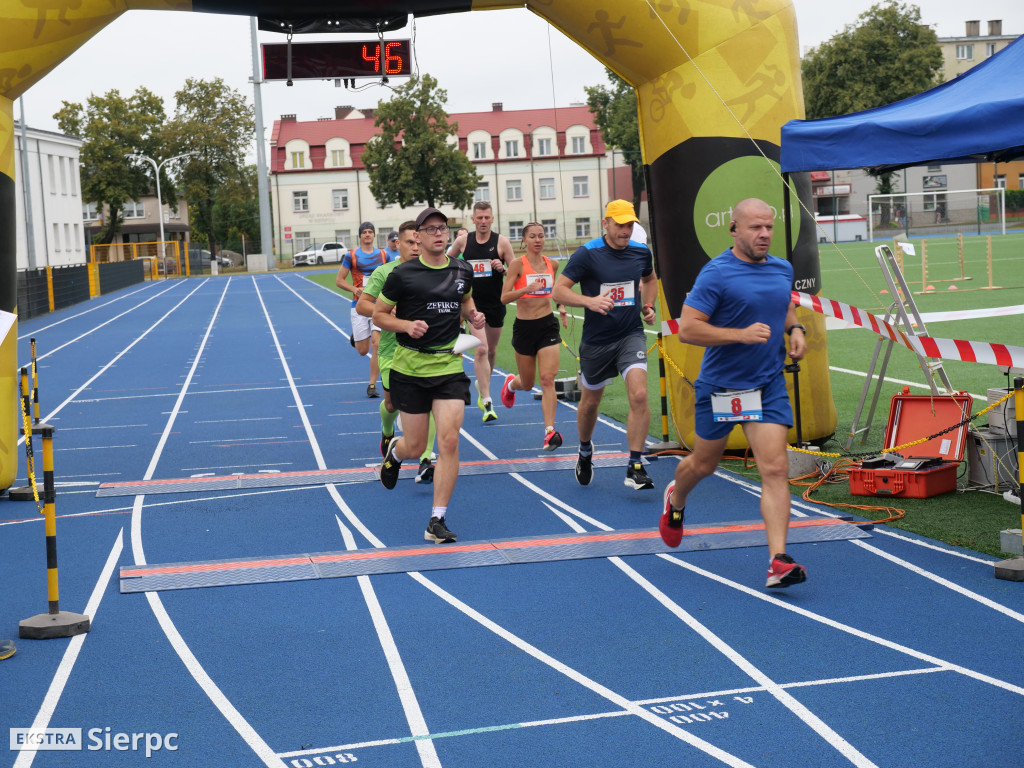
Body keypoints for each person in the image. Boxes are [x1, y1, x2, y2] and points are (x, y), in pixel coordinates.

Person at [659, 197, 808, 589]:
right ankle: (676, 499)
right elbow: (689, 329)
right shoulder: (716, 274)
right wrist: (739, 335)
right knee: (704, 465)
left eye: (769, 228)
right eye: (756, 228)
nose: (764, 235)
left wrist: (796, 330)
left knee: (775, 469)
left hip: (768, 384)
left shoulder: (782, 268)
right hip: (722, 388)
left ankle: (778, 561)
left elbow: (784, 306)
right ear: (734, 229)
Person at [374, 207, 486, 543]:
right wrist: (406, 324)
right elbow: (379, 315)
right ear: (418, 237)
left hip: (449, 365)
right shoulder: (402, 274)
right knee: (416, 444)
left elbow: (466, 302)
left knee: (449, 440)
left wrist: (474, 316)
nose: (439, 233)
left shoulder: (462, 270)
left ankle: (436, 520)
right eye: (431, 229)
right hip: (410, 367)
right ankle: (396, 452)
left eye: (443, 228)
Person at [552, 199, 658, 490]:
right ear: (605, 223)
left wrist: (648, 304)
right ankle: (585, 450)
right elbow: (558, 290)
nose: (625, 231)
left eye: (629, 225)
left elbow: (650, 279)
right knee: (589, 404)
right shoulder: (588, 254)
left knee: (638, 395)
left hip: (630, 334)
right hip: (597, 341)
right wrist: (590, 301)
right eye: (619, 224)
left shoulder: (640, 252)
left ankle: (634, 464)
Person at [357, 221, 438, 483]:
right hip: (393, 351)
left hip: (427, 350)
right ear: (397, 244)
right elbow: (362, 306)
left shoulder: (434, 269)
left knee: (428, 403)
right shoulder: (385, 272)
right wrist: (386, 311)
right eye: (409, 243)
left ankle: (426, 460)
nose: (415, 247)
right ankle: (387, 428)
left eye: (418, 242)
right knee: (392, 404)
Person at [498, 222, 568, 450]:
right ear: (524, 240)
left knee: (547, 379)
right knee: (527, 384)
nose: (538, 240)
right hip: (524, 328)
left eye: (541, 236)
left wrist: (562, 306)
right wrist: (525, 290)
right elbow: (504, 297)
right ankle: (512, 384)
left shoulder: (552, 264)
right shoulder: (518, 265)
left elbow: (555, 289)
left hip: (547, 325)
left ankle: (549, 432)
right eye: (533, 237)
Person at [447, 202, 514, 424]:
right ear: (473, 220)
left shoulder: (502, 242)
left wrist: (502, 269)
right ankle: (487, 401)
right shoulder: (463, 241)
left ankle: (481, 383)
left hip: (495, 303)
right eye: (479, 218)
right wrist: (458, 269)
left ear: (492, 219)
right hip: (472, 303)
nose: (483, 221)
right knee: (481, 350)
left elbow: (516, 274)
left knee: (491, 351)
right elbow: (445, 263)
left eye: (487, 217)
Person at [336, 221, 390, 398]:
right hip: (359, 305)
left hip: (379, 305)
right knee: (362, 350)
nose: (367, 235)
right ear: (360, 236)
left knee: (377, 344)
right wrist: (354, 289)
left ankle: (372, 385)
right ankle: (357, 338)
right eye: (364, 232)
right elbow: (340, 280)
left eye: (370, 232)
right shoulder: (350, 256)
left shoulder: (383, 255)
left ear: (374, 235)